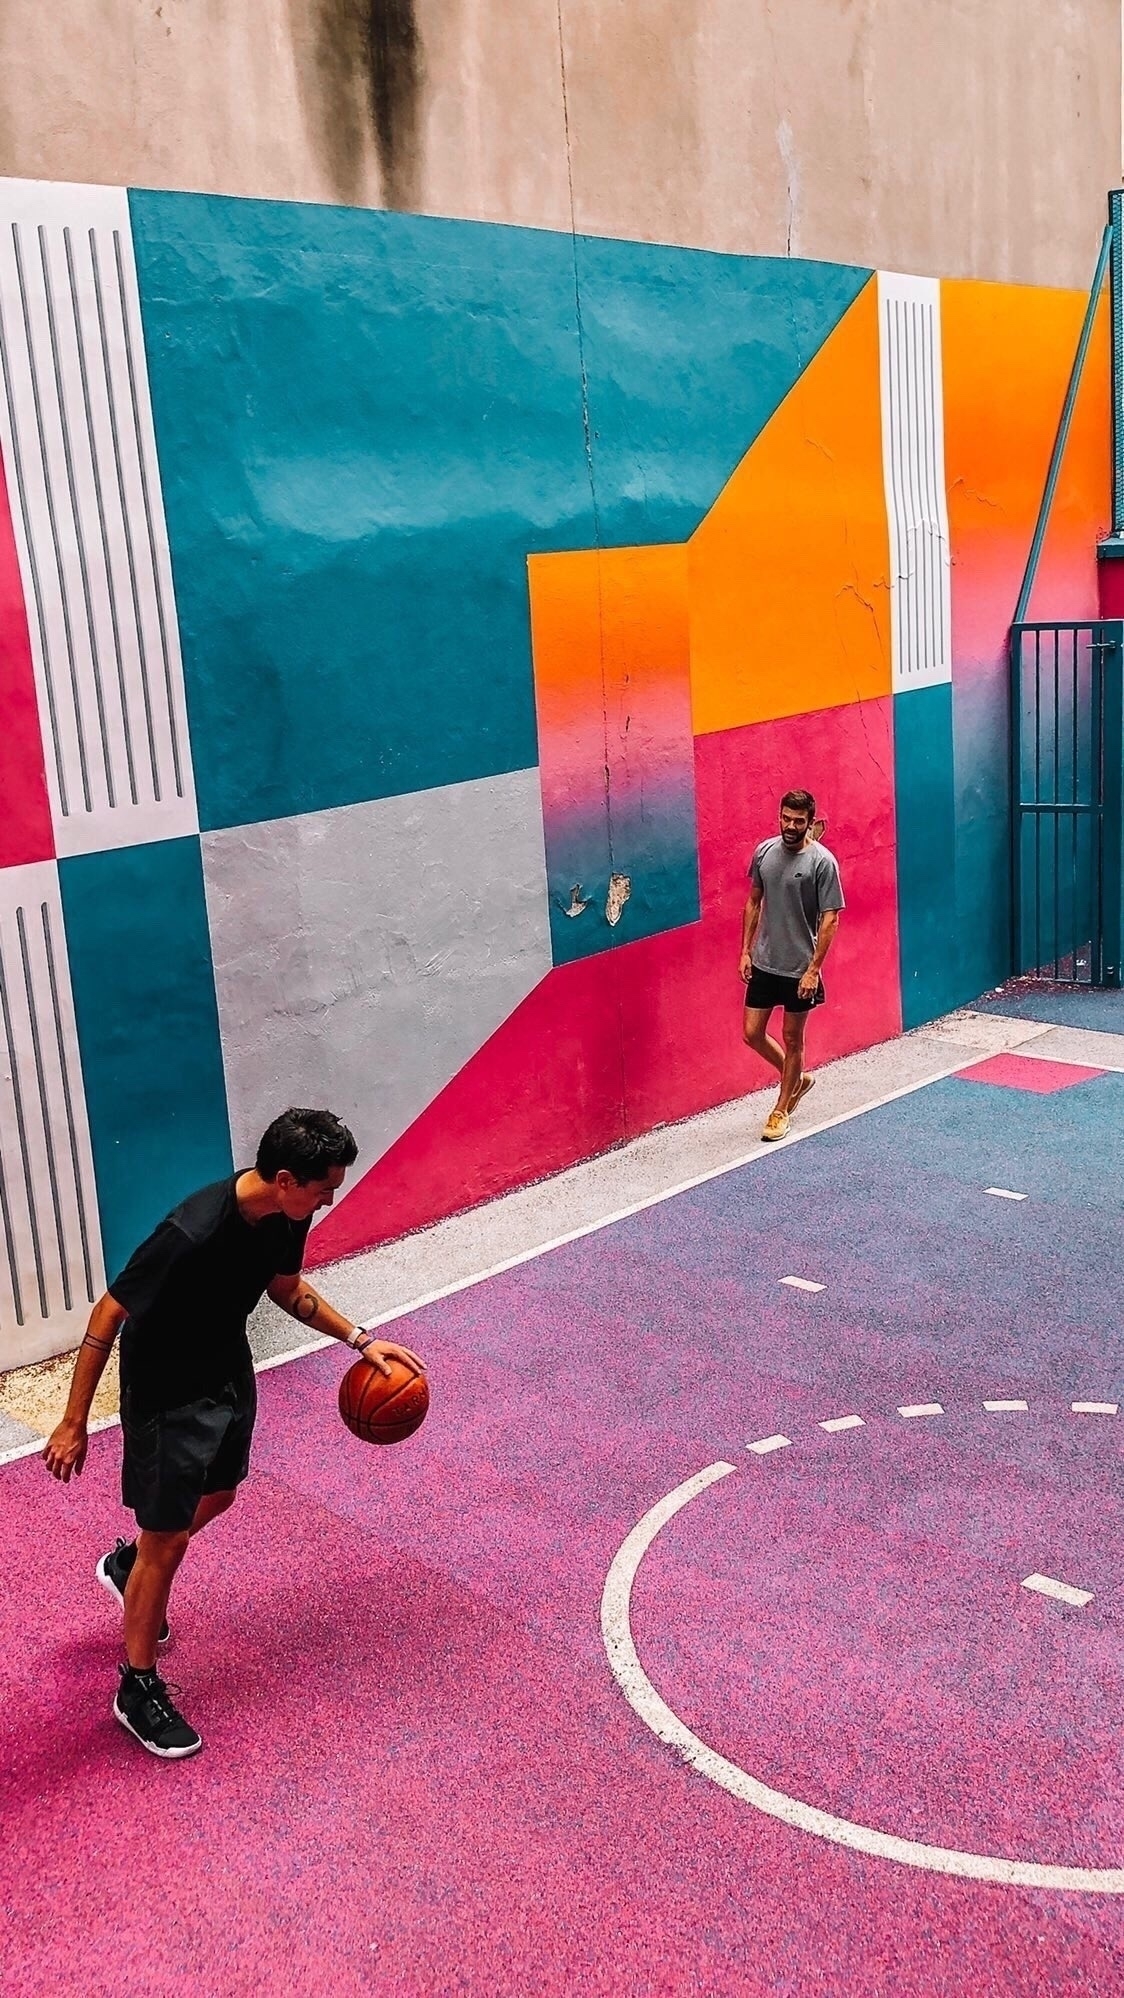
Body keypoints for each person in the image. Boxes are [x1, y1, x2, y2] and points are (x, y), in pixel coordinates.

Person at [43, 1107, 423, 1761]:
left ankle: (129, 1567)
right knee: (168, 1539)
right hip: (165, 1391)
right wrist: (75, 1421)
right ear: (283, 1177)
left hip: (224, 1368)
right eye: (323, 1187)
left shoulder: (288, 1214)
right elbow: (109, 1312)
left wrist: (360, 1340)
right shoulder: (191, 1231)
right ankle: (137, 1690)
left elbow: (284, 1287)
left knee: (218, 1498)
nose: (329, 1199)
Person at [738, 791, 844, 1142]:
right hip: (765, 963)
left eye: (799, 821)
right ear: (779, 816)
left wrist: (813, 970)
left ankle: (781, 1109)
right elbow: (754, 902)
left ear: (810, 823)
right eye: (786, 818)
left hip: (800, 969)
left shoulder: (822, 862)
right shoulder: (765, 852)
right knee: (752, 1033)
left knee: (792, 1039)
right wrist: (745, 951)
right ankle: (796, 1077)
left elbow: (830, 921)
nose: (791, 826)